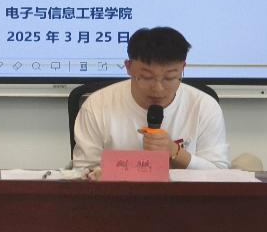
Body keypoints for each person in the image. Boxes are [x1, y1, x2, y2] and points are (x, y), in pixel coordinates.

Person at [72, 26, 230, 170]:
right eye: (147, 77)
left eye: (169, 78)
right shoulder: (97, 105)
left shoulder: (203, 106)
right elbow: (83, 171)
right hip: (117, 192)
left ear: (183, 68)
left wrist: (175, 152)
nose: (158, 88)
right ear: (129, 67)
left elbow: (220, 174)